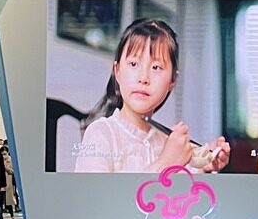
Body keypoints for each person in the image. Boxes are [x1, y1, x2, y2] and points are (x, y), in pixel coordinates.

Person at [74, 17, 230, 173]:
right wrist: (166, 163)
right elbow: (92, 190)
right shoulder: (101, 134)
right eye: (133, 64)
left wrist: (203, 164)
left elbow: (182, 185)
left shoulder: (166, 141)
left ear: (173, 80)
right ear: (118, 71)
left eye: (156, 67)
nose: (143, 78)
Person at [2, 145, 19, 219]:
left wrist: (7, 169)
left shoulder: (11, 160)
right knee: (4, 198)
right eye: (2, 154)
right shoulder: (0, 160)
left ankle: (13, 212)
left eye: (5, 154)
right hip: (2, 182)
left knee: (10, 197)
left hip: (10, 181)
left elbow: (13, 170)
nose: (4, 156)